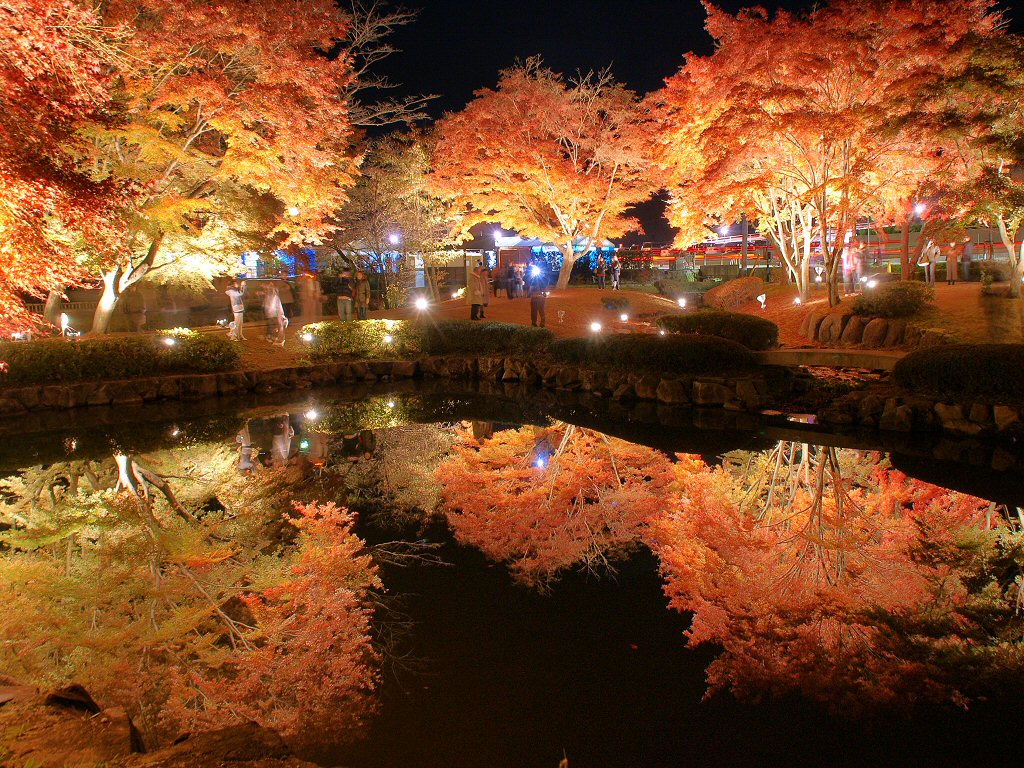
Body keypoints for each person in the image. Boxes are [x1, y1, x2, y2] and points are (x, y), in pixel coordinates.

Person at [528, 263, 548, 328]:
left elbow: (531, 288)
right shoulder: (544, 280)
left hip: (535, 297)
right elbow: (545, 289)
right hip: (541, 298)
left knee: (534, 311)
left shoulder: (534, 280)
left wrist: (529, 294)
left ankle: (534, 323)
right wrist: (544, 294)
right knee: (541, 310)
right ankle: (542, 323)